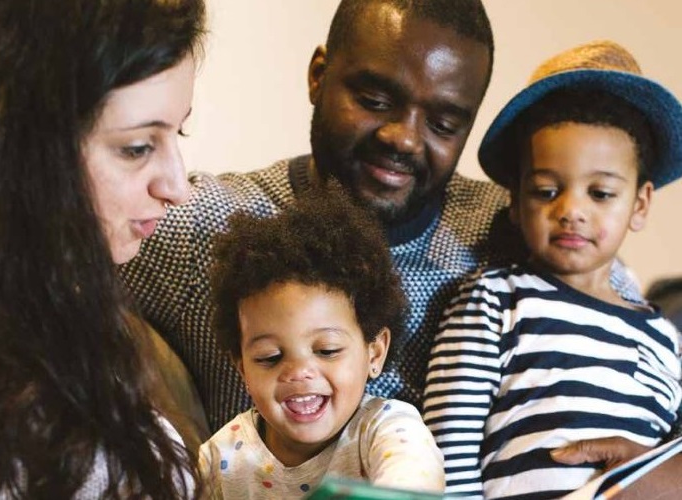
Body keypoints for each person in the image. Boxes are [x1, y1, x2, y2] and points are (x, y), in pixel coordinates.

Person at [118, 0, 662, 479]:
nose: (403, 137)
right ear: (318, 75)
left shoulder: (518, 232)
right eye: (375, 99)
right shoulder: (206, 227)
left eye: (444, 124)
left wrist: (660, 465)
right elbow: (47, 271)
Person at [424, 40, 682, 499]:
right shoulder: (492, 299)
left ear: (639, 204)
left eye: (600, 194)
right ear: (515, 203)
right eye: (546, 190)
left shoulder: (664, 337)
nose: (571, 211)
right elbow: (448, 446)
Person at [0, 0, 206, 497]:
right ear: (22, 148)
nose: (177, 185)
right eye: (137, 148)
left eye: (179, 130)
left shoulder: (76, 314)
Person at [198, 192, 445, 498]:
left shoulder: (387, 428)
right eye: (270, 357)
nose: (299, 372)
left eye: (326, 350)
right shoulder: (221, 457)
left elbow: (414, 482)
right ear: (243, 369)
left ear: (375, 351)